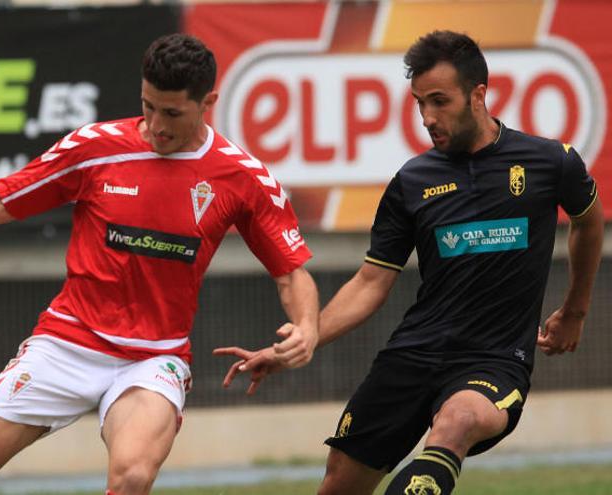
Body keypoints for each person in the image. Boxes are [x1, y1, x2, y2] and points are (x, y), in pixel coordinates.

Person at [0, 33, 319, 495]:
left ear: (208, 102)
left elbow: (291, 273)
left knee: (133, 475)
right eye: (148, 106)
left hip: (153, 357)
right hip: (67, 341)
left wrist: (306, 326)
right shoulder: (95, 148)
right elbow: (1, 201)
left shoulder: (242, 176)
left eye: (172, 113)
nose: (156, 124)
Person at [215, 30, 603, 495]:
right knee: (339, 483)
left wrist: (574, 312)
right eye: (420, 103)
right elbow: (371, 281)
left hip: (493, 360)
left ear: (479, 95)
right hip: (414, 354)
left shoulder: (549, 162)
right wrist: (307, 336)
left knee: (456, 422)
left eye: (439, 101)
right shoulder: (412, 181)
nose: (427, 117)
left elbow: (588, 220)